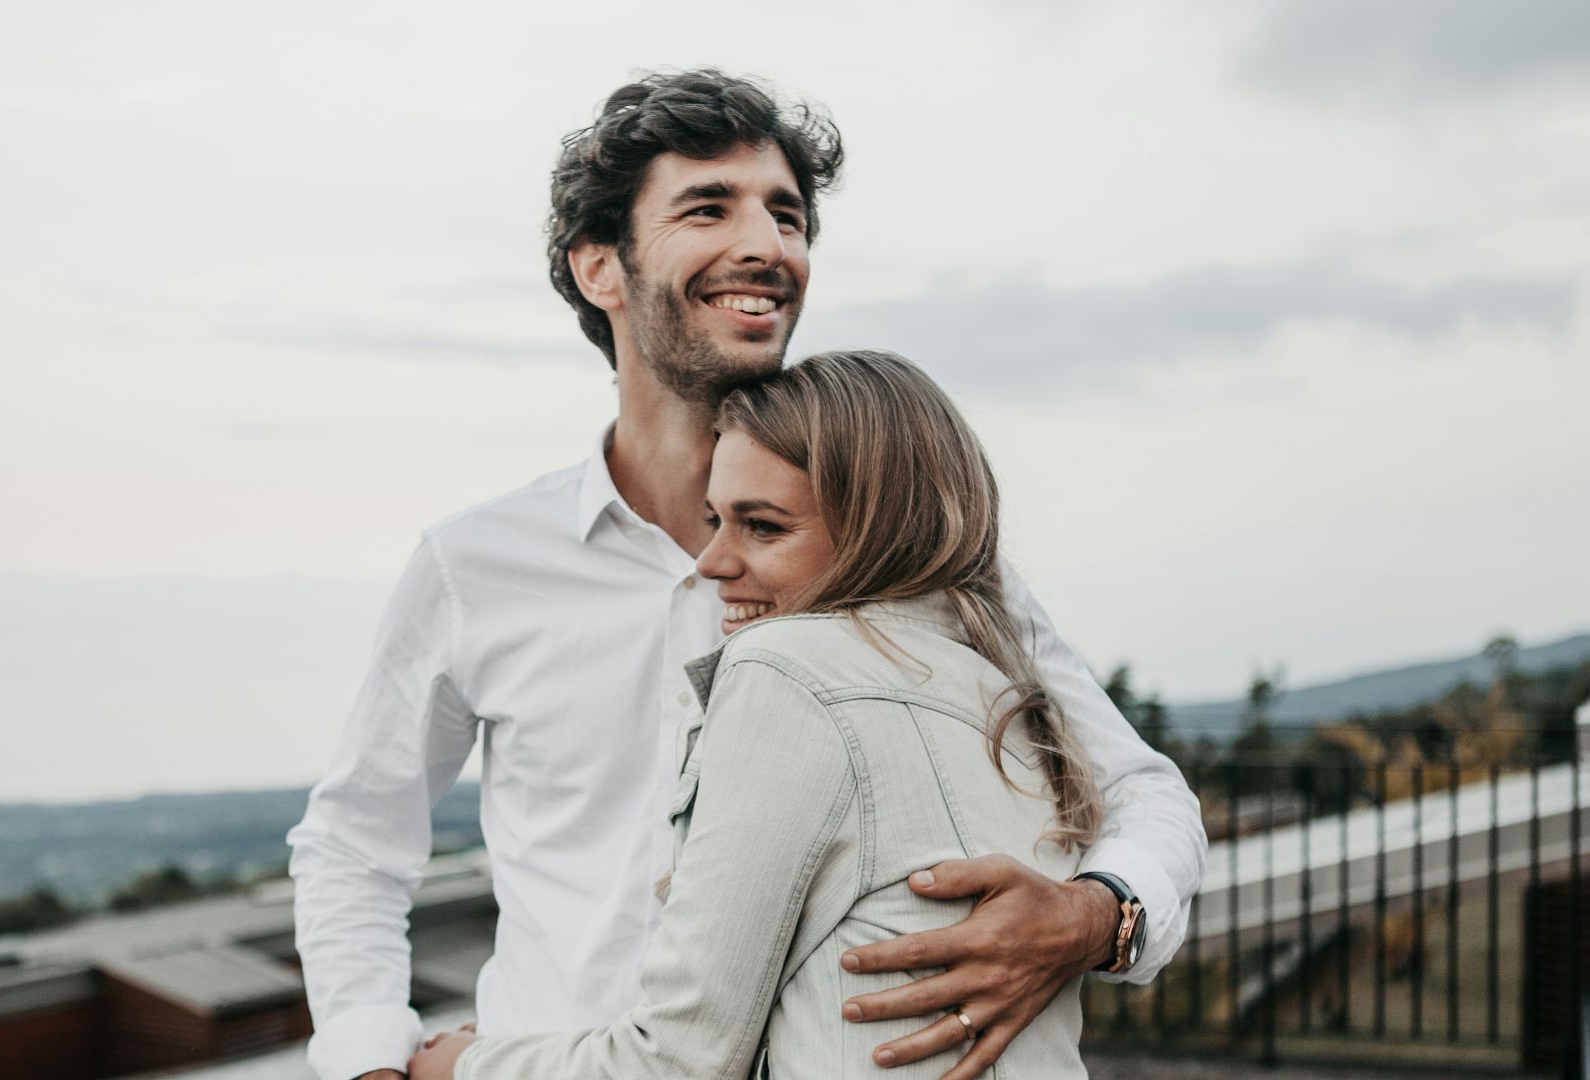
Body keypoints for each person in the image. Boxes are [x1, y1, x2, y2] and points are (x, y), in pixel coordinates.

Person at [287, 70, 1206, 1080]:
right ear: (600, 267)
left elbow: (1141, 792)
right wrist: (372, 1060)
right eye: (708, 208)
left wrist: (1094, 917)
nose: (768, 245)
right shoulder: (475, 565)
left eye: (787, 215)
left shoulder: (910, 550)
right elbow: (355, 844)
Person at [403, 349, 1114, 1079]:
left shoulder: (785, 670)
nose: (711, 561)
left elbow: (680, 1061)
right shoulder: (1008, 689)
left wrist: (461, 1066)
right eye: (716, 520)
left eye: (763, 527)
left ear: (880, 529)